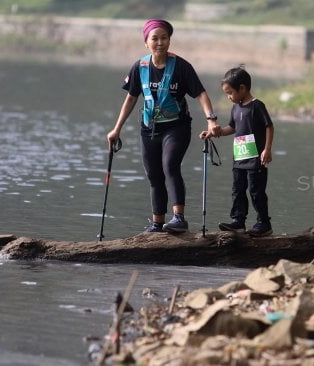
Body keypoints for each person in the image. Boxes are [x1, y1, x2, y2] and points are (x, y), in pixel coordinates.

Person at [107, 19, 218, 234]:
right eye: (154, 38)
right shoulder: (140, 67)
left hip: (177, 127)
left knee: (170, 166)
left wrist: (211, 118)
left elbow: (200, 94)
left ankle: (179, 218)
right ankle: (157, 223)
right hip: (149, 128)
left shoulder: (182, 66)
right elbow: (131, 99)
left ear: (169, 40)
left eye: (164, 38)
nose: (160, 42)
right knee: (153, 174)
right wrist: (116, 129)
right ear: (146, 43)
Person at [201, 66, 274, 237]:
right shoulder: (236, 108)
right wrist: (213, 133)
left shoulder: (257, 106)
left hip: (256, 159)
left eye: (230, 93)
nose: (228, 97)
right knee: (237, 189)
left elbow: (269, 126)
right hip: (240, 158)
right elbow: (232, 128)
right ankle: (238, 221)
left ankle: (264, 223)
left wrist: (267, 149)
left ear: (242, 88)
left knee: (256, 190)